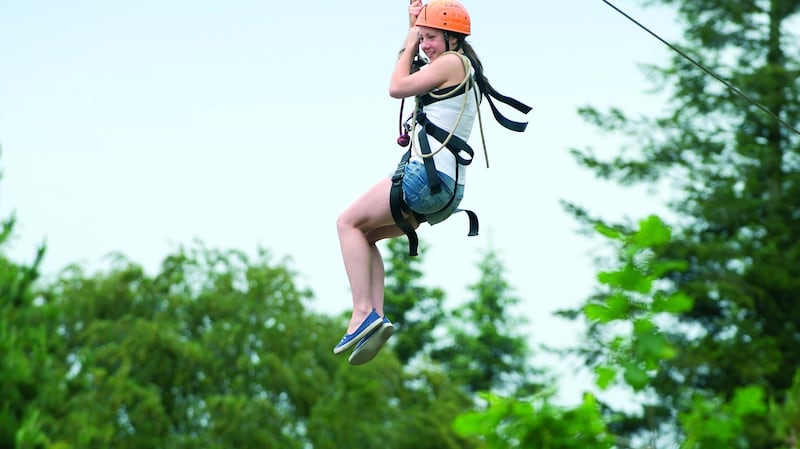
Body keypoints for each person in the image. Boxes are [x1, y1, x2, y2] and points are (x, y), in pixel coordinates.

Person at [334, 0, 530, 366]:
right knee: (366, 235)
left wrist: (409, 39)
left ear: (452, 38)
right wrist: (414, 27)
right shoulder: (460, 67)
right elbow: (413, 76)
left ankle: (362, 311)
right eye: (424, 38)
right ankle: (374, 317)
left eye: (431, 38)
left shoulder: (453, 63)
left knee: (346, 223)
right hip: (446, 190)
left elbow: (397, 86)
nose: (425, 45)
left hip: (425, 179)